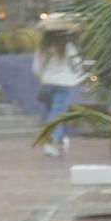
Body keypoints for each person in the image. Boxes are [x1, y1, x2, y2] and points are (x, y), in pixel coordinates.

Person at [33, 25, 88, 157]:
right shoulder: (68, 48)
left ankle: (61, 138)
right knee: (57, 114)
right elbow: (77, 66)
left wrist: (43, 77)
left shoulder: (42, 49)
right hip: (64, 84)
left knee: (53, 112)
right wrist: (81, 76)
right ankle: (50, 143)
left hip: (47, 84)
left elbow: (36, 68)